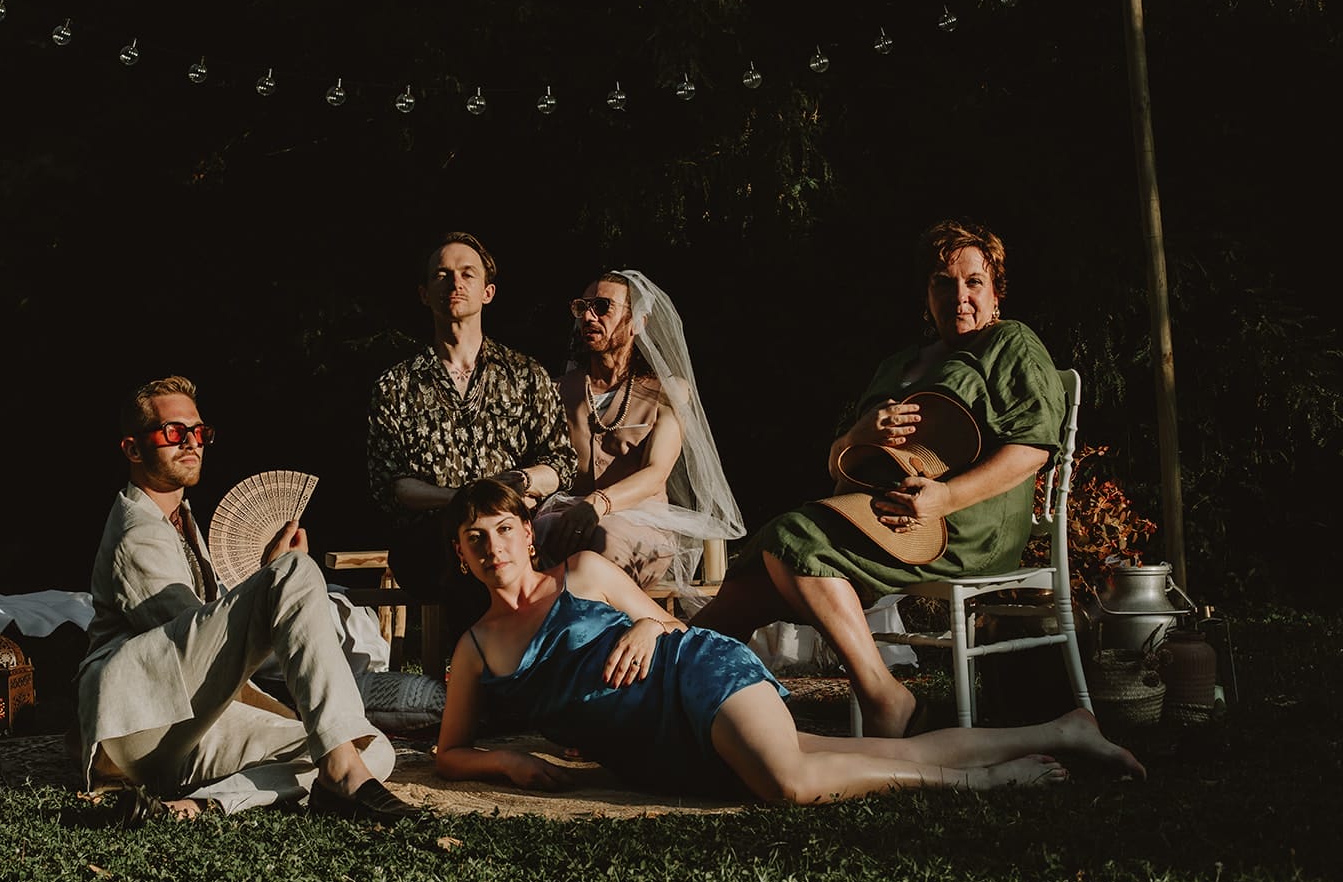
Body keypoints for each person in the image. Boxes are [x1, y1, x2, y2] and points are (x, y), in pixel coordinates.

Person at [435, 480, 1144, 803]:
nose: (492, 545)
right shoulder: (474, 647)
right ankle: (1066, 729)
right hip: (660, 752)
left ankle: (983, 783)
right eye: (475, 539)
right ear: (462, 557)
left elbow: (679, 627)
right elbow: (448, 752)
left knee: (794, 782)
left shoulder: (583, 570)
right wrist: (503, 761)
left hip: (697, 678)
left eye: (502, 529)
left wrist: (649, 621)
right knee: (877, 754)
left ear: (527, 533)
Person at [689, 219, 1067, 738]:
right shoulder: (899, 363)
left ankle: (885, 697)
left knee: (792, 538)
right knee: (753, 578)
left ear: (996, 292)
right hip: (876, 511)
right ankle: (671, 692)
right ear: (925, 294)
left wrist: (946, 497)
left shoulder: (1007, 344)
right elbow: (839, 464)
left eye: (973, 282)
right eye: (943, 282)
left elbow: (1033, 449)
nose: (959, 296)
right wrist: (858, 433)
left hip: (963, 521)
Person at [77, 375, 418, 825]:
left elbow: (209, 651)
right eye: (174, 432)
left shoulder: (183, 518)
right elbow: (204, 654)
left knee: (363, 748)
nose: (191, 443)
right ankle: (336, 774)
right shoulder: (133, 532)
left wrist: (311, 721)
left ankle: (195, 807)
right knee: (296, 571)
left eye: (199, 432)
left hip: (180, 733)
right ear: (133, 449)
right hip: (134, 719)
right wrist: (272, 580)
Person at [366, 231, 578, 649]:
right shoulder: (395, 385)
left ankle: (502, 673)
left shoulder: (525, 375)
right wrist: (464, 500)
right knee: (471, 550)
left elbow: (561, 463)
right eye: (442, 275)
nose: (455, 283)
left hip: (515, 531)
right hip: (432, 539)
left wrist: (518, 483)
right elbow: (390, 484)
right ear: (424, 294)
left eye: (467, 274)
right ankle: (496, 674)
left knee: (508, 551)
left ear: (488, 292)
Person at [534, 270, 745, 594]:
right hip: (568, 515)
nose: (589, 316)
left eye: (602, 306)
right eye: (582, 307)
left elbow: (656, 472)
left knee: (600, 538)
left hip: (642, 524)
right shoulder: (558, 390)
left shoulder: (668, 390)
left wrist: (597, 504)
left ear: (638, 323)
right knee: (532, 534)